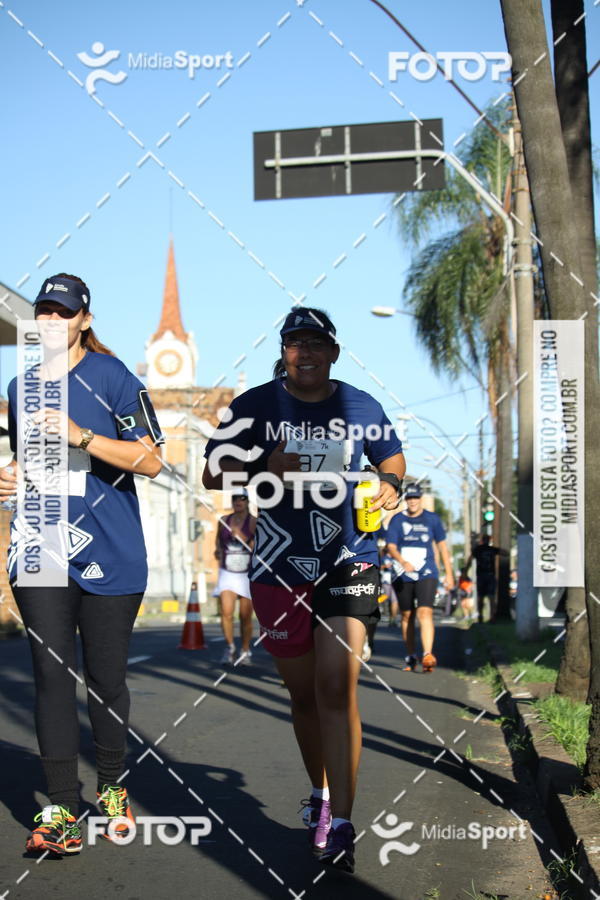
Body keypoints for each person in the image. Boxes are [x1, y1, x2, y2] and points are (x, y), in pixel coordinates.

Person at [202, 307, 405, 873]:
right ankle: (320, 794)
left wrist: (389, 483)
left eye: (317, 343)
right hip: (277, 566)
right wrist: (263, 460)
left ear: (334, 352)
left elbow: (391, 456)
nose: (306, 353)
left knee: (335, 687)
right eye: (296, 344)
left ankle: (341, 821)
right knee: (302, 696)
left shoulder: (361, 405)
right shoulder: (255, 406)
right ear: (284, 353)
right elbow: (211, 472)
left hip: (349, 559)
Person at [0, 273, 164, 855]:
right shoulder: (22, 385)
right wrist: (9, 479)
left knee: (105, 679)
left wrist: (82, 435)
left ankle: (113, 782)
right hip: (42, 539)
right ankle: (64, 810)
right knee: (49, 674)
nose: (50, 320)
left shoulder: (112, 377)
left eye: (62, 312)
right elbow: (28, 461)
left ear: (84, 321)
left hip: (109, 546)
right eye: (42, 311)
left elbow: (150, 460)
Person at [386, 483, 454, 673]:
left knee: (425, 612)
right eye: (409, 498)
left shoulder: (432, 519)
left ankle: (427, 654)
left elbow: (442, 546)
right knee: (407, 615)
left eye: (416, 498)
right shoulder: (397, 520)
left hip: (427, 572)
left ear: (421, 499)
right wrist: (402, 561)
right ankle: (411, 655)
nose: (413, 502)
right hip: (403, 572)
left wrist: (449, 573)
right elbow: (391, 546)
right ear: (405, 500)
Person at [214, 489, 256, 665]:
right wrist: (217, 551)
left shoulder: (254, 522)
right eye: (234, 498)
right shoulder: (224, 521)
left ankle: (245, 650)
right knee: (226, 613)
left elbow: (258, 547)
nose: (238, 501)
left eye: (242, 498)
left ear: (247, 501)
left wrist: (243, 537)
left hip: (246, 574)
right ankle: (230, 647)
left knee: (245, 616)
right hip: (228, 573)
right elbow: (218, 542)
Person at [465, 533, 500, 622]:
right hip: (484, 576)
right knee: (483, 597)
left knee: (489, 597)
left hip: (487, 575)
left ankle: (491, 616)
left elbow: (505, 553)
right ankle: (482, 615)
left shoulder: (487, 549)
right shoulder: (481, 549)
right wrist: (465, 571)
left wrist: (465, 570)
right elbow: (470, 559)